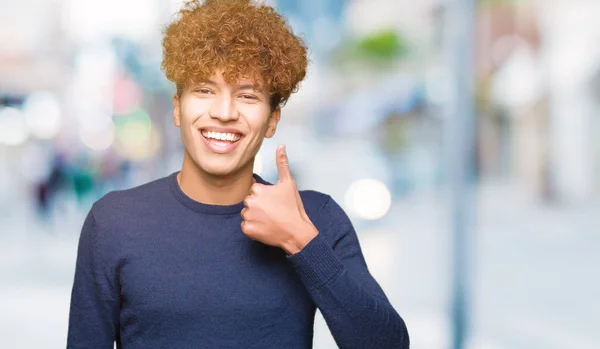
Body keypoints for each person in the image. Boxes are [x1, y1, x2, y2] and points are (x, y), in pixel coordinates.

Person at [67, 0, 410, 348]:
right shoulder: (114, 223)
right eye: (204, 90)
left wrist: (301, 240)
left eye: (247, 95)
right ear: (177, 108)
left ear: (272, 120)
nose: (224, 112)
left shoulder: (316, 219)